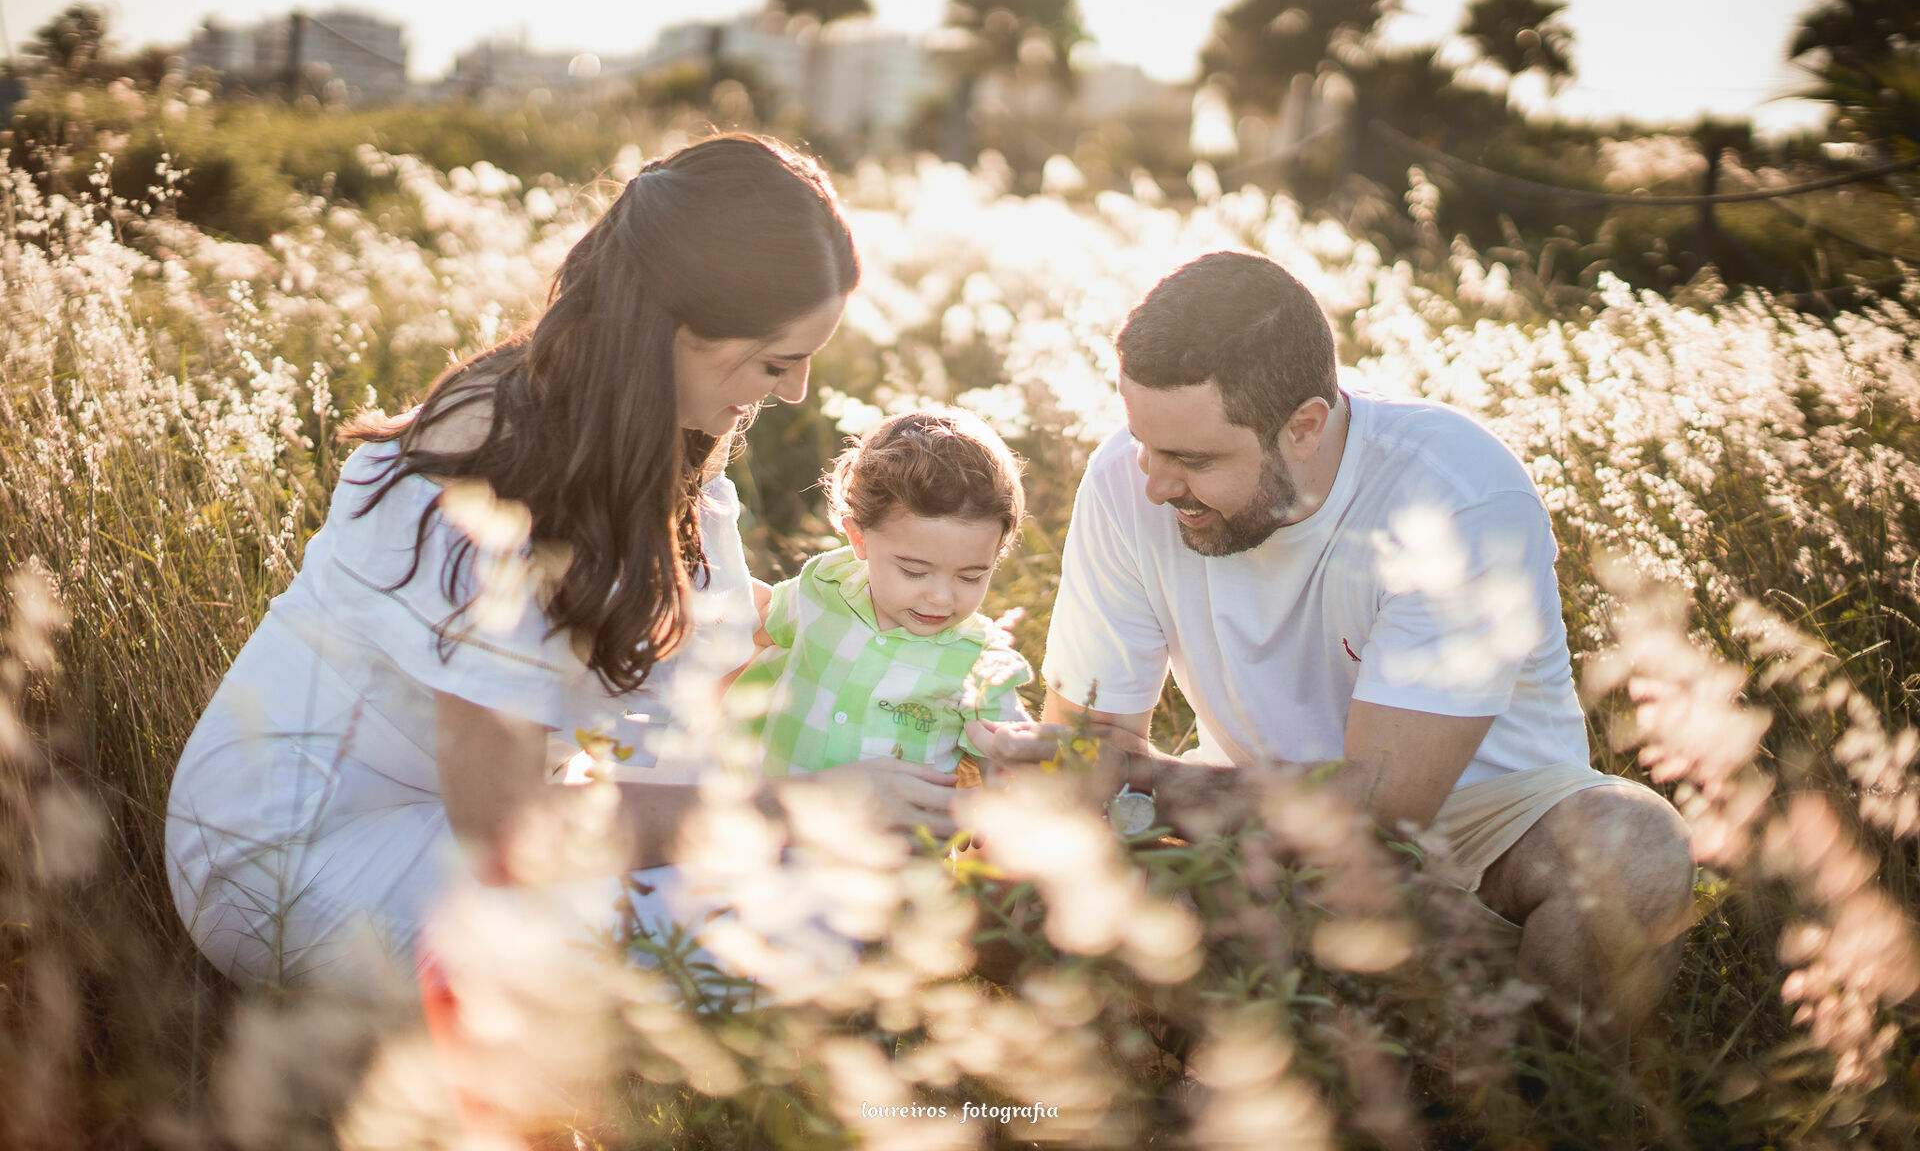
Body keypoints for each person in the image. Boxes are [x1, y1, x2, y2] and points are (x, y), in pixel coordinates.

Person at [164, 135, 964, 989]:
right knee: (775, 937)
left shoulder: (654, 432)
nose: (796, 391)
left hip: (446, 821)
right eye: (777, 361)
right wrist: (800, 809)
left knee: (842, 895)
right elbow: (508, 833)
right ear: (677, 326)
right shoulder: (490, 475)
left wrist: (914, 673)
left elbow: (706, 648)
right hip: (295, 862)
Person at [969, 250, 1695, 1047]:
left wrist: (1141, 782)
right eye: (1145, 442)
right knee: (1005, 884)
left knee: (1636, 849)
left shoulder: (1455, 497)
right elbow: (1091, 745)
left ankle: (1527, 1091)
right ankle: (1261, 1053)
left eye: (1193, 459)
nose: (1155, 484)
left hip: (1480, 839)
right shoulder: (1125, 481)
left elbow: (1382, 809)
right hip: (1246, 825)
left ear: (1305, 427)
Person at [729, 408, 1033, 777]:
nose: (940, 597)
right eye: (913, 571)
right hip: (773, 817)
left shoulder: (982, 664)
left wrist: (1005, 768)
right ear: (859, 538)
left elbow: (1006, 761)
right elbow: (752, 622)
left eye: (970, 577)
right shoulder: (824, 586)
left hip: (891, 833)